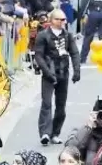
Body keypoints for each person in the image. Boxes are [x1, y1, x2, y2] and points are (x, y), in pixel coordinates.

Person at [34, 9, 81, 146]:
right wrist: (47, 72)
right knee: (46, 104)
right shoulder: (43, 36)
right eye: (59, 19)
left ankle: (55, 133)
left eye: (64, 20)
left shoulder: (68, 35)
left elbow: (74, 53)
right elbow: (39, 55)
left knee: (61, 107)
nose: (62, 22)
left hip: (63, 74)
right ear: (51, 20)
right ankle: (45, 133)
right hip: (49, 74)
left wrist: (76, 71)